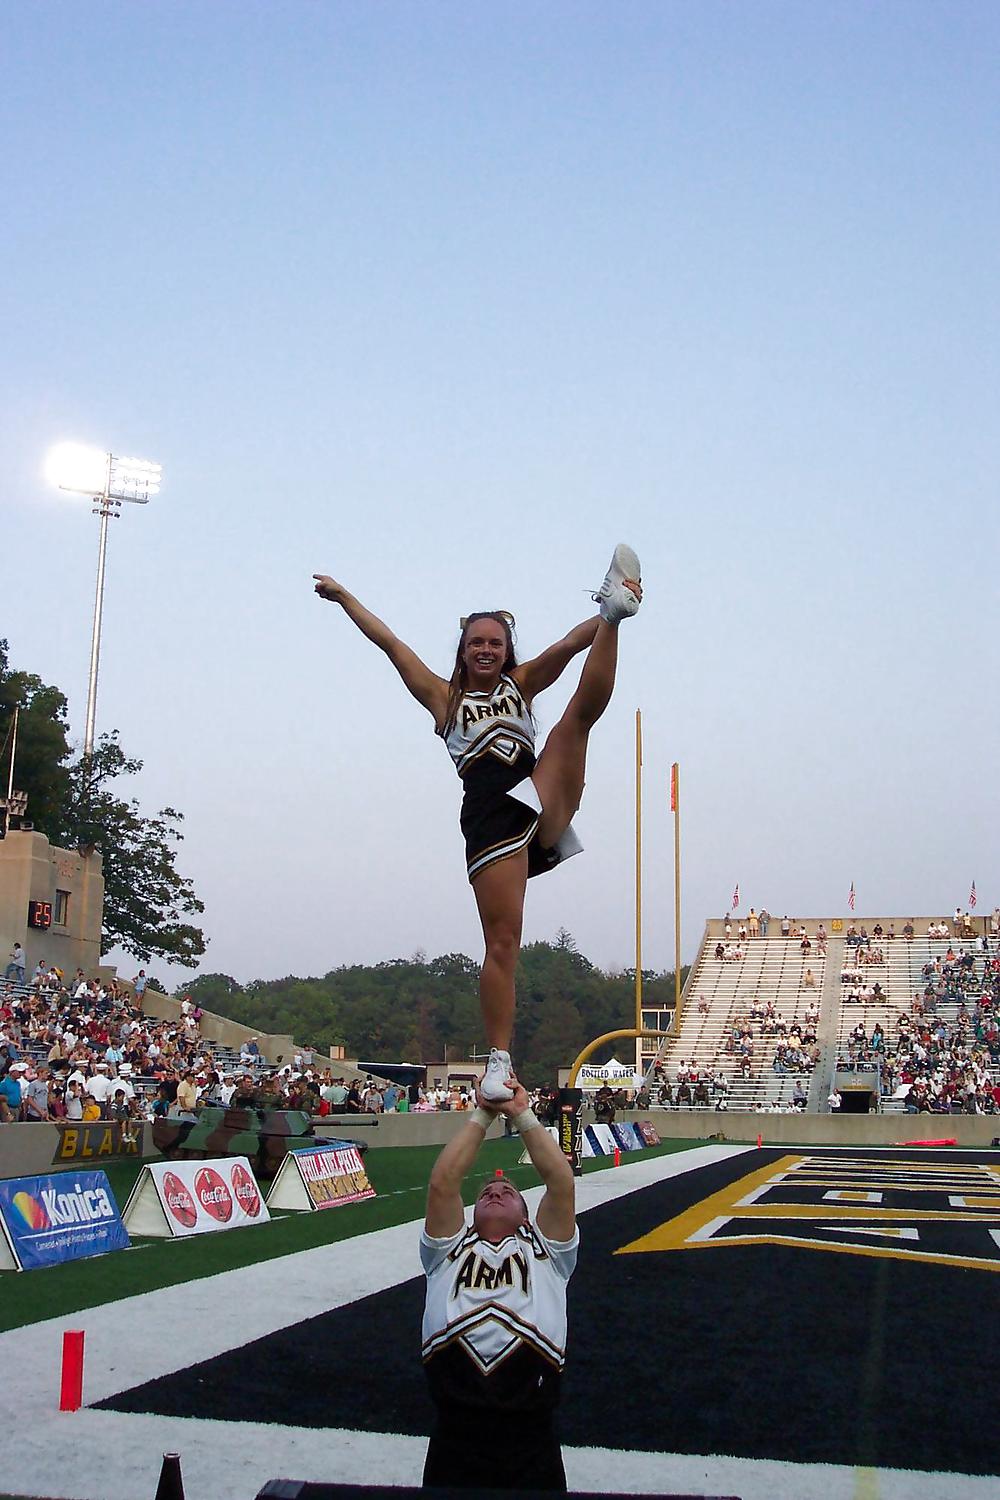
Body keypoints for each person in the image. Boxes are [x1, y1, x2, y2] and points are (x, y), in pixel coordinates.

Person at [314, 544, 642, 1102]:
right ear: (463, 653)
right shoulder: (444, 699)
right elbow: (392, 644)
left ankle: (616, 609)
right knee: (503, 944)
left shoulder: (522, 683)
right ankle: (498, 1058)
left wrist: (608, 614)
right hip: (491, 821)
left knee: (575, 723)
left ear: (506, 649)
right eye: (476, 643)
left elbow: (567, 644)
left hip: (537, 793)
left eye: (495, 642)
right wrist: (346, 598)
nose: (486, 649)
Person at [420, 1073, 577, 1491]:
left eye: (507, 1191)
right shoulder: (445, 1250)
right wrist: (483, 1113)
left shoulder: (549, 1253)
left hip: (531, 1431)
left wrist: (522, 1114)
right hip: (455, 1428)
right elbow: (442, 1183)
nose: (494, 1191)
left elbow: (560, 1182)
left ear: (527, 1215)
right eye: (487, 1191)